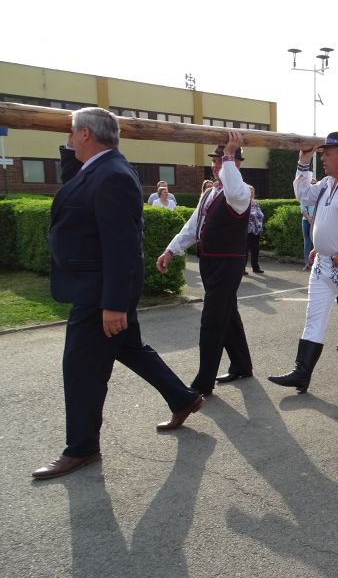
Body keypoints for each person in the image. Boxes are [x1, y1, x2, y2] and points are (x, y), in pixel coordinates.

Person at [33, 107, 202, 480]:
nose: (69, 138)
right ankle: (184, 398)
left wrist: (113, 305)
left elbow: (122, 246)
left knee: (81, 369)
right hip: (99, 288)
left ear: (86, 135)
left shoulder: (112, 176)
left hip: (99, 293)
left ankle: (82, 448)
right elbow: (74, 189)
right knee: (129, 348)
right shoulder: (98, 169)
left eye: (72, 132)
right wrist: (68, 150)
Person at [268, 132, 338, 392]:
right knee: (314, 315)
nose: (323, 158)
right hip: (322, 264)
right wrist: (303, 163)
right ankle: (301, 372)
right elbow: (303, 195)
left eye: (327, 154)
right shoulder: (326, 183)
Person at [156, 135, 254, 394]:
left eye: (223, 160)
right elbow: (193, 226)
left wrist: (230, 155)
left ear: (236, 163)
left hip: (228, 264)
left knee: (213, 320)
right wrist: (171, 250)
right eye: (215, 160)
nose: (216, 165)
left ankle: (203, 382)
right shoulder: (210, 193)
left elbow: (234, 191)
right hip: (210, 262)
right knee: (227, 313)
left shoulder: (241, 191)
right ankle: (242, 364)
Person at [245, 185, 264, 275]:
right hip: (247, 231)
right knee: (245, 250)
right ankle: (242, 269)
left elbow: (260, 215)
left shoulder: (256, 203)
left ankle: (255, 267)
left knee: (255, 250)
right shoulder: (243, 203)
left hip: (256, 230)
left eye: (253, 192)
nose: (252, 193)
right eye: (250, 191)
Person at [300, 185, 316, 271]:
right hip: (306, 220)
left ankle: (315, 263)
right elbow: (303, 209)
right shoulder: (304, 196)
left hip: (316, 220)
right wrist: (309, 218)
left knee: (316, 241)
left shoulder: (318, 195)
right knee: (307, 241)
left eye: (314, 183)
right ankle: (307, 263)